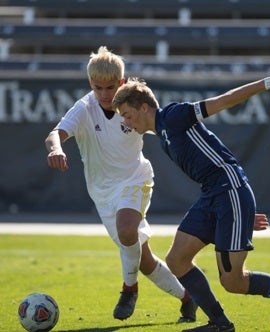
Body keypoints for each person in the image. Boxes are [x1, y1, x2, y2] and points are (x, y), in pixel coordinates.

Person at [111, 70, 270, 332]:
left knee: (233, 281)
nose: (127, 124)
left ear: (144, 107)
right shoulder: (162, 131)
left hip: (228, 189)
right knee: (177, 260)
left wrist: (269, 83)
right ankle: (220, 324)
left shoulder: (173, 116)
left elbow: (225, 100)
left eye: (128, 116)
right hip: (215, 196)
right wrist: (239, 216)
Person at [44, 46, 198, 323]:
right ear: (90, 84)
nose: (104, 94)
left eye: (110, 87)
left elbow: (163, 127)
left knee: (127, 231)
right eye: (97, 87)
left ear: (122, 83)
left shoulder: (132, 107)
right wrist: (56, 149)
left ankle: (129, 289)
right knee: (144, 260)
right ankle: (188, 297)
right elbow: (55, 134)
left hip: (135, 179)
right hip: (102, 193)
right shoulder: (84, 107)